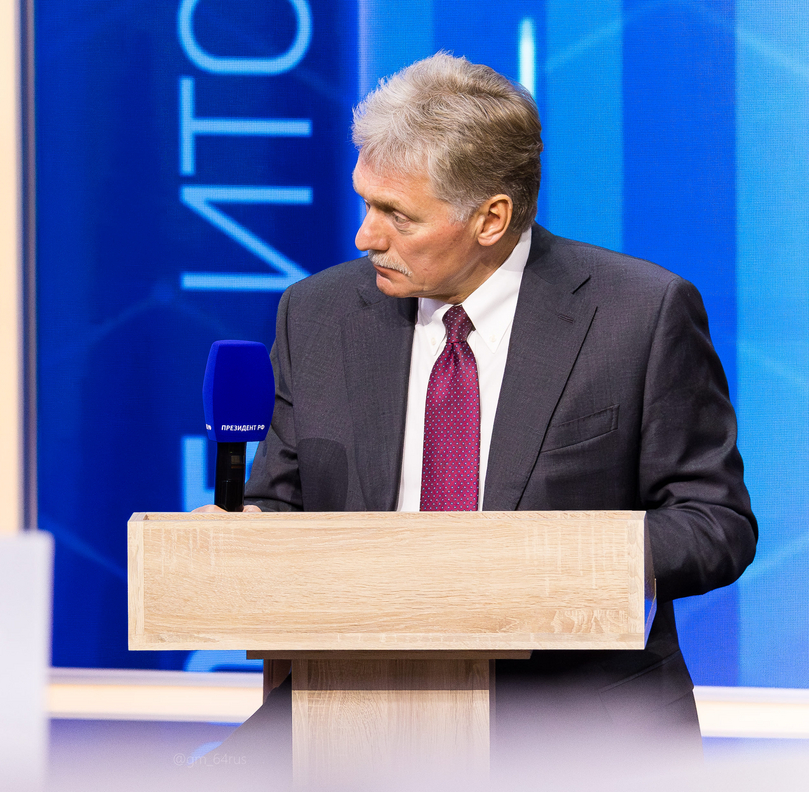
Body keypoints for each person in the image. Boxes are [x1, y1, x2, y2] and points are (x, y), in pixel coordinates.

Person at [195, 52, 756, 774]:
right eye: (366, 203)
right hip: (353, 715)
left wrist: (541, 562)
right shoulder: (318, 314)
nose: (366, 236)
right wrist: (250, 531)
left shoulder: (638, 315)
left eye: (397, 215)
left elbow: (715, 525)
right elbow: (285, 501)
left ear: (491, 218)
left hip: (577, 730)